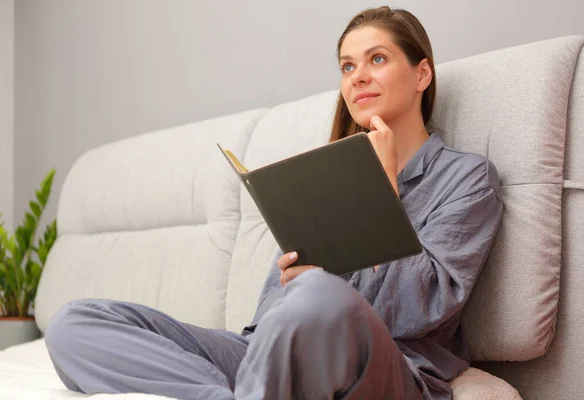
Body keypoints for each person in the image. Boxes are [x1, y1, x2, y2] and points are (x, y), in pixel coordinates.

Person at [44, 6, 503, 400]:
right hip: (270, 350)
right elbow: (269, 318)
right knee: (75, 323)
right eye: (346, 67)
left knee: (318, 294)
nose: (358, 76)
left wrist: (383, 194)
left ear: (422, 73)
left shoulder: (467, 178)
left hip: (384, 361)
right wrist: (287, 287)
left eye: (376, 59)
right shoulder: (327, 180)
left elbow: (426, 307)